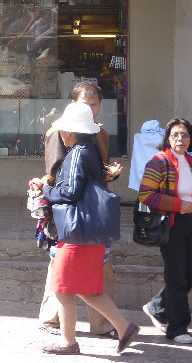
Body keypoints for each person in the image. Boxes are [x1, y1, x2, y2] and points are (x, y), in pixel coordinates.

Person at [39, 101, 139, 355]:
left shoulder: (77, 154)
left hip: (77, 232)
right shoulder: (91, 150)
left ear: (70, 132)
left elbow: (70, 191)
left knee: (62, 287)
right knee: (83, 288)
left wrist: (47, 190)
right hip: (89, 231)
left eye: (63, 130)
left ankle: (69, 341)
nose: (61, 134)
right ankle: (122, 327)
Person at [138, 117, 192, 344]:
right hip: (172, 225)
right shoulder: (159, 162)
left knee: (188, 274)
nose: (181, 138)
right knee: (177, 276)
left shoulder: (190, 160)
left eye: (185, 135)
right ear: (168, 138)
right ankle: (177, 328)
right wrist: (180, 205)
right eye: (176, 134)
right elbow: (146, 195)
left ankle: (157, 306)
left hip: (191, 222)